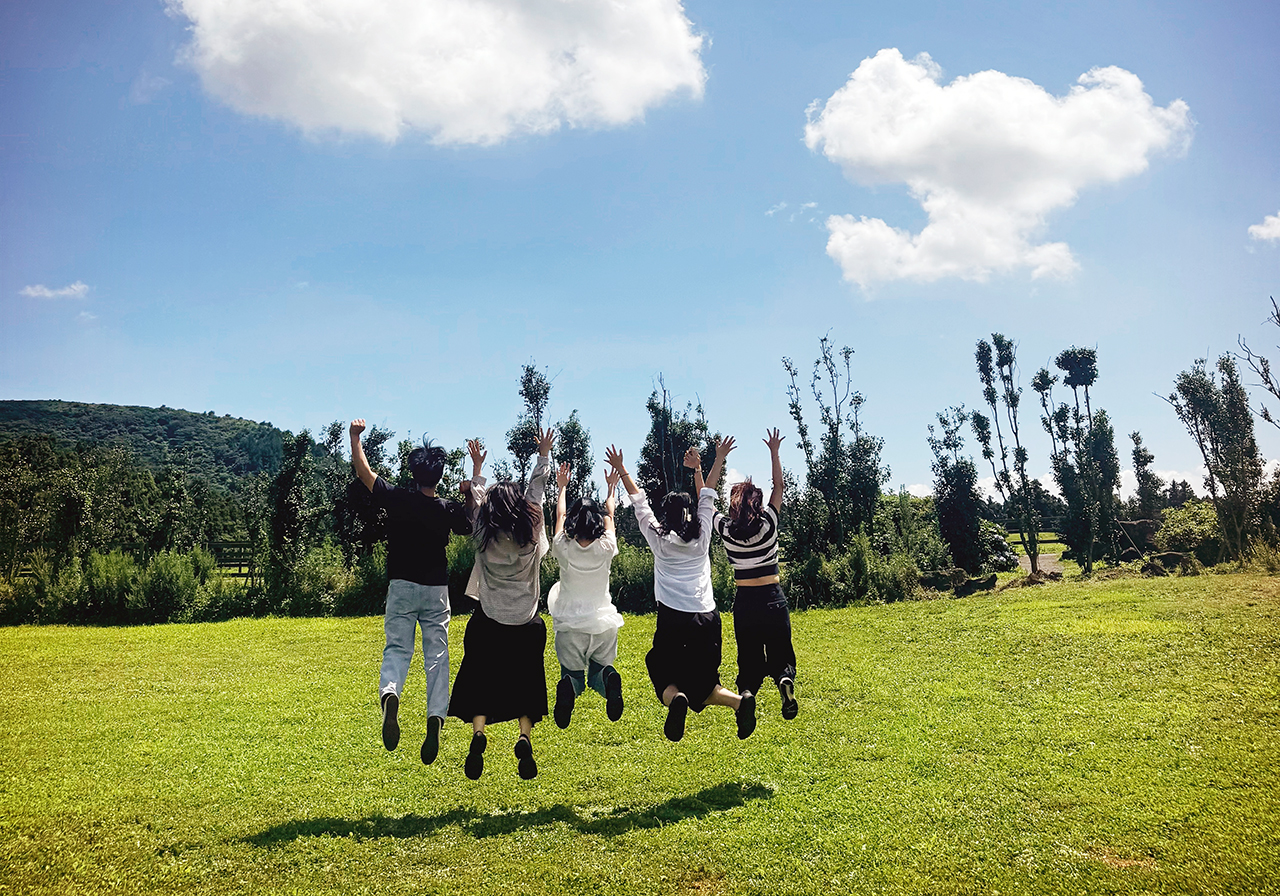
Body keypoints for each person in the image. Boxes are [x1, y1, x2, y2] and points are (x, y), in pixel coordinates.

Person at [604, 440, 756, 743]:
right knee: (706, 681)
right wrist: (716, 459)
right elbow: (708, 494)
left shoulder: (658, 538)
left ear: (666, 514)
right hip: (707, 617)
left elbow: (638, 501)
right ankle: (741, 703)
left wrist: (621, 469)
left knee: (659, 666)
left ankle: (676, 701)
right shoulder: (702, 533)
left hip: (674, 617)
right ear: (690, 512)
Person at [349, 419, 473, 765]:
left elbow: (364, 473)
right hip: (436, 590)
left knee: (398, 648)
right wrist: (466, 493)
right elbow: (468, 524)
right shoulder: (446, 507)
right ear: (439, 475)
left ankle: (391, 694)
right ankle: (435, 716)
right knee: (437, 655)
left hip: (401, 585)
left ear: (413, 472)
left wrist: (355, 437)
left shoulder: (399, 499)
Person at [448, 428, 554, 780]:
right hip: (527, 623)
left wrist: (478, 469)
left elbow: (477, 505)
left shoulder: (483, 534)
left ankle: (479, 733)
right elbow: (536, 491)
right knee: (527, 680)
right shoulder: (532, 533)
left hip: (489, 620)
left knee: (481, 678)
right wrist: (542, 454)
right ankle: (524, 737)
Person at [711, 428, 798, 720]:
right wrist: (774, 451)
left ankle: (747, 692)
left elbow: (705, 500)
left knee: (748, 658)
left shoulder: (725, 530)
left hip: (745, 600)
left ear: (733, 506)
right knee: (780, 652)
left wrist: (714, 461)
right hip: (773, 596)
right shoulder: (768, 524)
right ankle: (784, 678)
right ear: (757, 502)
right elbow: (780, 487)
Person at [548, 461, 625, 729]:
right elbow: (611, 517)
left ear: (573, 519)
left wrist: (562, 487)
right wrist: (610, 491)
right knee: (598, 673)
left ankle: (568, 686)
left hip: (569, 626)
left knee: (573, 675)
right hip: (603, 623)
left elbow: (559, 517)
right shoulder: (606, 546)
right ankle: (608, 677)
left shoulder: (563, 547)